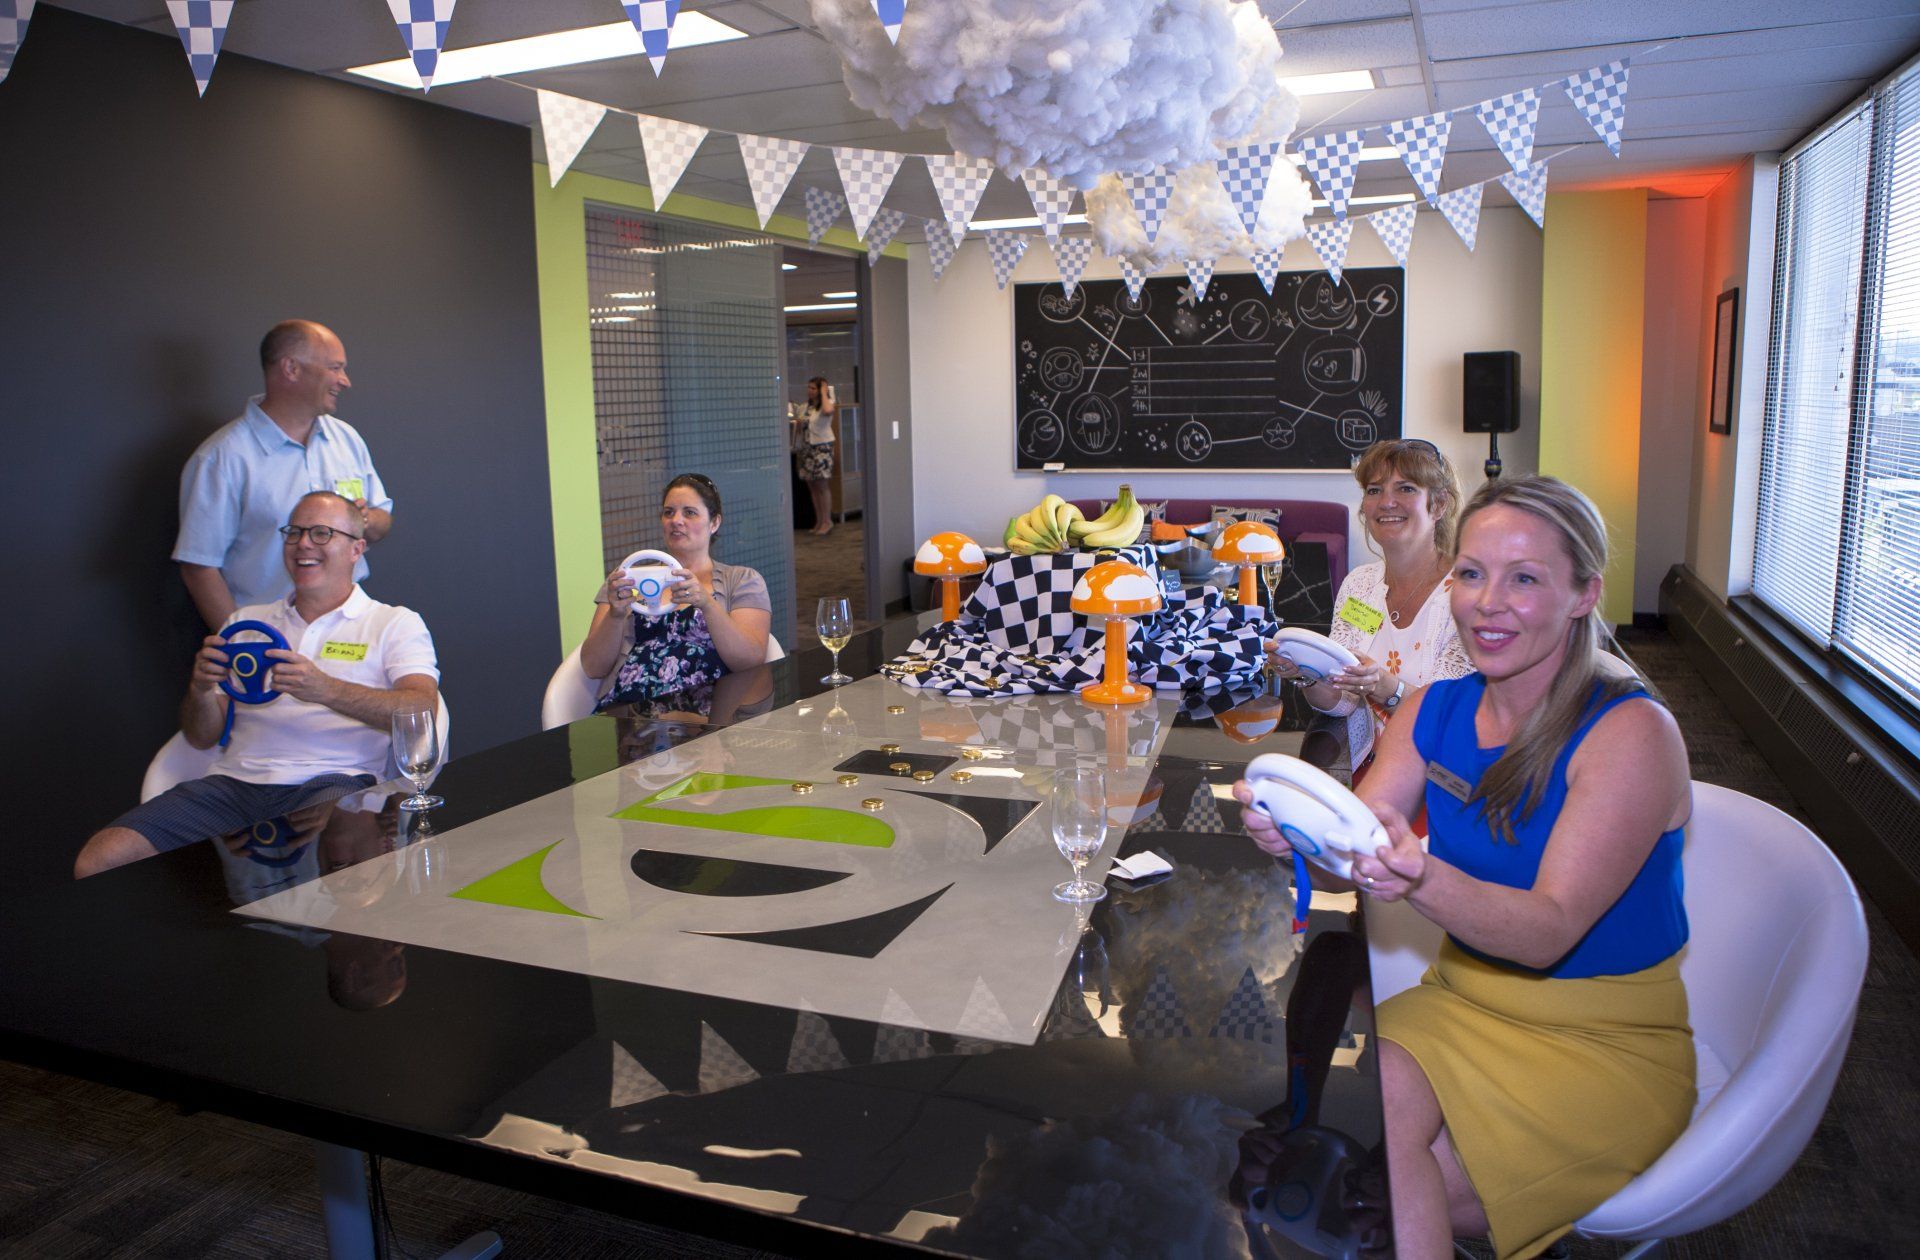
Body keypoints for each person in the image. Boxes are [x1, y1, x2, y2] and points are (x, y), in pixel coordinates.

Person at [1236, 475, 1693, 1260]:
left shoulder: (1632, 734)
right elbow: (1359, 852)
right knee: (1337, 1147)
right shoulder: (1431, 710)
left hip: (1601, 1035)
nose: (1488, 602)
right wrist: (1297, 835)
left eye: (1525, 578)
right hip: (1459, 998)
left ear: (1584, 593)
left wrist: (1419, 878)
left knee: (1393, 1196)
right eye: (1473, 573)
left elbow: (1547, 931)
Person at [78, 492, 438, 878]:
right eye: (294, 532)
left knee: (332, 848)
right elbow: (201, 738)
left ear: (356, 549)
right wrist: (200, 690)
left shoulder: (393, 623)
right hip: (234, 784)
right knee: (98, 860)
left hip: (335, 785)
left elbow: (422, 710)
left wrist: (324, 688)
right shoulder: (244, 623)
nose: (303, 544)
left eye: (321, 533)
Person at [174, 320, 393, 629]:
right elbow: (199, 567)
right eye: (335, 368)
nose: (345, 381)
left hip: (348, 635)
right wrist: (244, 645)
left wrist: (362, 519)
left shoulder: (347, 440)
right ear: (291, 368)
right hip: (269, 637)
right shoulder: (222, 458)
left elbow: (382, 520)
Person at [1274, 438, 1471, 763]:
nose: (1386, 502)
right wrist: (1305, 673)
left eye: (1405, 489)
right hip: (1363, 765)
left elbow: (1450, 720)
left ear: (1439, 505)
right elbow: (1343, 701)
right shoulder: (1360, 585)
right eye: (1374, 490)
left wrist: (1387, 688)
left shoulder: (1467, 593)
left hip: (1437, 777)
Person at [580, 474, 772, 710]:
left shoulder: (742, 580)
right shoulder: (629, 579)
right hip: (631, 715)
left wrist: (707, 604)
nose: (676, 520)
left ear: (714, 523)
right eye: (668, 512)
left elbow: (750, 660)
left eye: (689, 512)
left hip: (708, 719)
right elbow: (592, 667)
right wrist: (615, 616)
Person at [791, 377, 837, 536]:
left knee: (822, 486)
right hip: (806, 449)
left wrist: (825, 391)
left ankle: (827, 521)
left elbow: (828, 411)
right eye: (808, 388)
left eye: (813, 388)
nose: (810, 391)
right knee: (813, 487)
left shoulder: (826, 404)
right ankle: (819, 520)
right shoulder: (805, 407)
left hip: (822, 448)